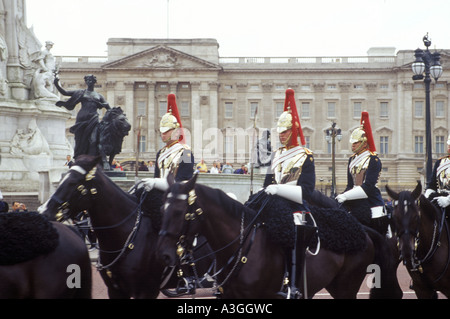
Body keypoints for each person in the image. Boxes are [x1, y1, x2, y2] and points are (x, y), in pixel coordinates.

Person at [263, 88, 316, 298]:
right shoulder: (275, 155)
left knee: (293, 227)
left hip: (295, 206)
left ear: (293, 131)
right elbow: (268, 182)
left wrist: (279, 189)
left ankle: (293, 284)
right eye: (279, 131)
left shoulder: (305, 156)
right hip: (274, 204)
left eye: (285, 131)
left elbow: (307, 191)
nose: (281, 135)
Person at [335, 111, 388, 235]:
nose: (352, 145)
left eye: (356, 142)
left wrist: (346, 196)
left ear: (364, 143)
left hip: (370, 199)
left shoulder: (373, 159)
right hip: (354, 198)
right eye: (352, 143)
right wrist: (341, 195)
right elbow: (350, 185)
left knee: (377, 219)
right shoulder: (351, 160)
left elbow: (368, 187)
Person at [142, 93, 194, 191]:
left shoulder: (186, 153)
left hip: (176, 196)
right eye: (162, 130)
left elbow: (184, 180)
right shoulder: (160, 153)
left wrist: (157, 183)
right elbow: (157, 176)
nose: (163, 133)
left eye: (166, 131)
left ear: (176, 132)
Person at [54, 74, 111, 159]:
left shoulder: (99, 96)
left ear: (94, 82)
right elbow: (65, 93)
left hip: (93, 118)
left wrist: (106, 116)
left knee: (94, 139)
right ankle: (78, 157)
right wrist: (56, 84)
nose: (89, 82)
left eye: (91, 80)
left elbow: (109, 108)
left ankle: (92, 157)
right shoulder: (81, 92)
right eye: (87, 80)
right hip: (82, 117)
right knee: (79, 139)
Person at [424, 134, 450, 213]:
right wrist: (426, 197)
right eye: (449, 145)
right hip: (439, 199)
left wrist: (448, 200)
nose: (449, 147)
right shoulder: (440, 162)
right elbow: (432, 185)